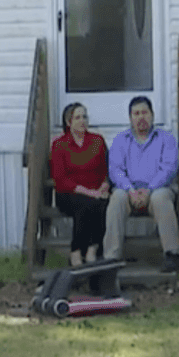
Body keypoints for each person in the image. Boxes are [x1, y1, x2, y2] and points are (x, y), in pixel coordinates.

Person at [104, 96, 179, 272]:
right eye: (136, 113)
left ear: (153, 115)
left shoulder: (166, 139)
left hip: (158, 188)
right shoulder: (120, 140)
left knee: (161, 198)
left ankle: (173, 254)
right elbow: (115, 170)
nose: (141, 117)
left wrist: (149, 189)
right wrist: (131, 190)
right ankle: (111, 258)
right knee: (116, 198)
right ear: (130, 117)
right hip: (128, 190)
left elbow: (169, 169)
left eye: (145, 112)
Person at [49, 102, 109, 266]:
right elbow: (60, 179)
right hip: (69, 193)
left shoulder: (97, 141)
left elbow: (106, 170)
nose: (82, 120)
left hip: (96, 191)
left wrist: (104, 185)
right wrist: (89, 192)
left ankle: (92, 250)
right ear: (68, 122)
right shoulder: (59, 144)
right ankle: (76, 252)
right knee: (85, 206)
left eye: (84, 117)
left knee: (101, 205)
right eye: (77, 117)